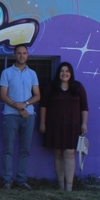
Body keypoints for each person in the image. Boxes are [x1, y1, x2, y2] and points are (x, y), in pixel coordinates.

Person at [39, 62, 88, 191]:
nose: (64, 73)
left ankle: (69, 187)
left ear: (71, 73)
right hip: (54, 125)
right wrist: (42, 123)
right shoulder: (51, 87)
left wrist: (84, 123)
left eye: (67, 71)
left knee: (70, 153)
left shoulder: (77, 87)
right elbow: (43, 106)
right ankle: (60, 186)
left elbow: (84, 107)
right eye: (62, 71)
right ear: (58, 73)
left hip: (72, 125)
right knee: (58, 153)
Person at [0, 44, 40, 189]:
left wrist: (26, 104)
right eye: (19, 53)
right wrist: (20, 108)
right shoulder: (7, 73)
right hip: (10, 116)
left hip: (29, 116)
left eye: (24, 53)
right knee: (8, 149)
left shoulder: (32, 74)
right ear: (14, 55)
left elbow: (37, 95)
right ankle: (7, 181)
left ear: (27, 55)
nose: (22, 56)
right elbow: (3, 95)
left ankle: (22, 181)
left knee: (25, 150)